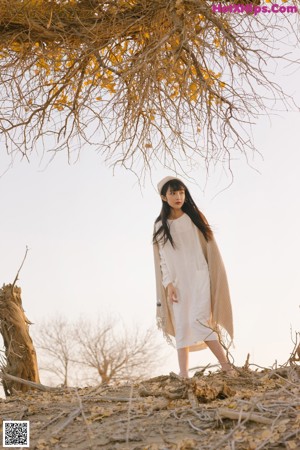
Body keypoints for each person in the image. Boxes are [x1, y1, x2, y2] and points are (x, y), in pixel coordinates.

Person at [153, 176, 235, 378]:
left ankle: (227, 367)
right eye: (173, 193)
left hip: (199, 277)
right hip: (178, 283)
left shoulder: (194, 216)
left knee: (199, 321)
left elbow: (209, 249)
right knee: (182, 324)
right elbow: (162, 259)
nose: (178, 197)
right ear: (164, 197)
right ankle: (184, 375)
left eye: (181, 192)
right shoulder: (159, 226)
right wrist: (168, 284)